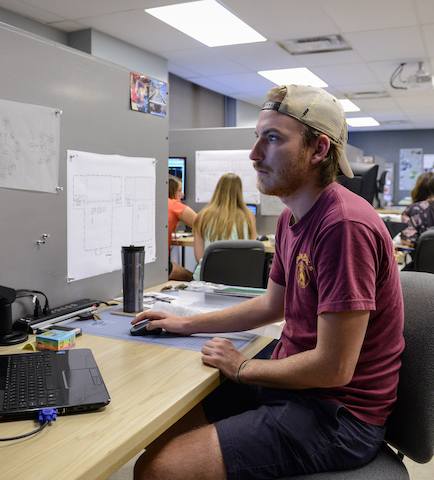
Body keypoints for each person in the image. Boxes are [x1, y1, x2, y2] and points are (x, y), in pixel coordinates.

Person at [132, 85, 404, 480]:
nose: (254, 154)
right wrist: (184, 323)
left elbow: (335, 368)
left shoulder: (343, 225)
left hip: (337, 414)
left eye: (273, 139)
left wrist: (242, 369)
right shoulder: (291, 216)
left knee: (158, 470)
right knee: (164, 419)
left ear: (319, 150)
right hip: (294, 382)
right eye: (257, 137)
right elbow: (271, 306)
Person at [192, 173, 258, 280]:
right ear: (239, 191)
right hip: (238, 276)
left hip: (207, 276)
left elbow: (199, 256)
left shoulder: (202, 216)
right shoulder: (249, 215)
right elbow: (252, 248)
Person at [168, 175, 197, 281]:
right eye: (179, 190)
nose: (182, 194)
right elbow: (201, 224)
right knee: (193, 278)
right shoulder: (173, 204)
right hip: (161, 265)